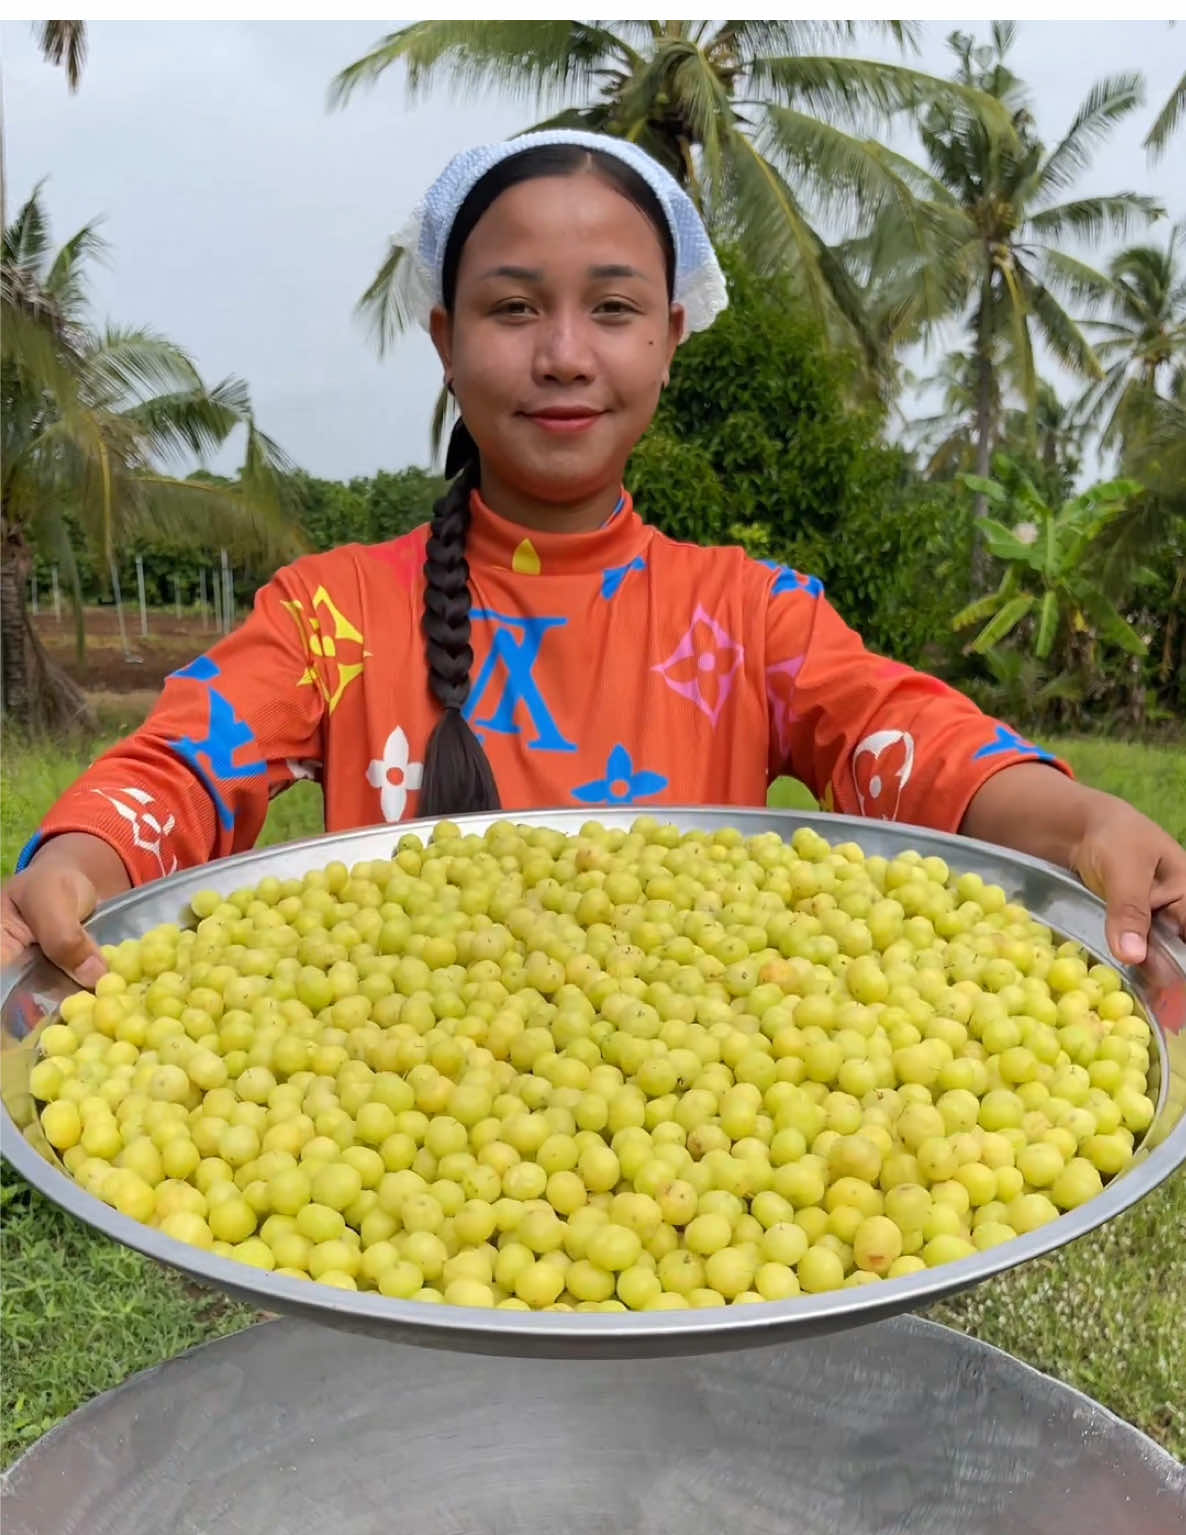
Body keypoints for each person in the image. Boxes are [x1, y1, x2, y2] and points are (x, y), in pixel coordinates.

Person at [3, 133, 1184, 988]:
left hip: (700, 1141)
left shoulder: (746, 612)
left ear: (672, 337)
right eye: (514, 310)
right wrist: (77, 859)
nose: (564, 355)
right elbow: (181, 772)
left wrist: (1081, 822)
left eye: (613, 309)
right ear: (445, 342)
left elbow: (911, 748)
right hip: (399, 1132)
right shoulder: (338, 612)